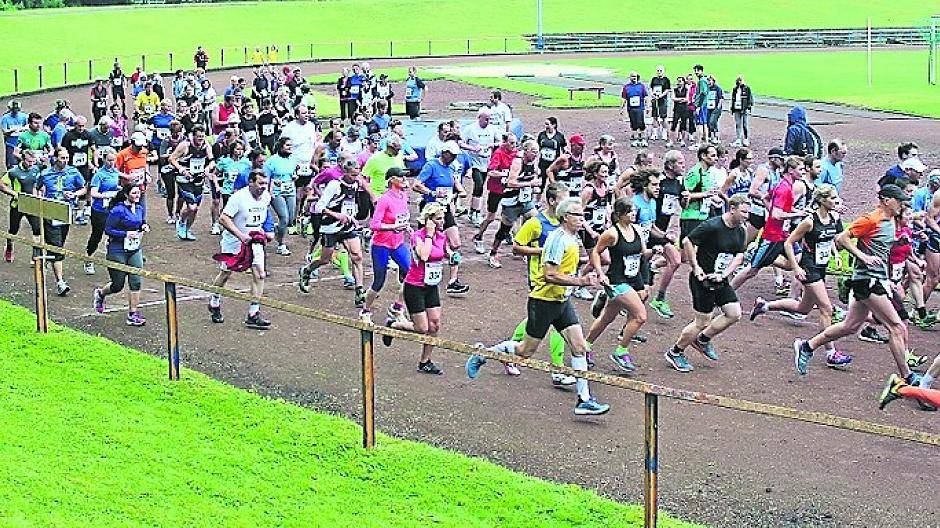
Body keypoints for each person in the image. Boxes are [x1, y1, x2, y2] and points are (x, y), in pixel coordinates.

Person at [466, 197, 611, 416]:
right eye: (577, 215)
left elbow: (570, 264)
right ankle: (485, 353)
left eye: (583, 214)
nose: (582, 218)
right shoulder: (557, 239)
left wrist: (592, 270)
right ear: (565, 217)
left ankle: (584, 400)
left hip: (561, 301)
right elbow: (549, 274)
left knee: (579, 347)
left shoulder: (573, 238)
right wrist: (580, 281)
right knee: (525, 351)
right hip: (543, 302)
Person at [794, 185, 915, 380]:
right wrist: (863, 257)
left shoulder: (891, 220)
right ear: (886, 200)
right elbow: (842, 238)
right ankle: (908, 376)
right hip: (867, 280)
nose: (902, 204)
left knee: (850, 326)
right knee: (896, 326)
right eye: (898, 200)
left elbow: (882, 248)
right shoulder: (870, 219)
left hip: (876, 279)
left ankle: (806, 346)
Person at [749, 184, 854, 367]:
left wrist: (836, 255)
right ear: (821, 200)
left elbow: (830, 240)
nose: (836, 201)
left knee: (803, 308)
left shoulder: (834, 218)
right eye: (832, 198)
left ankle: (764, 305)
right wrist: (796, 267)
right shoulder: (809, 221)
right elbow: (789, 243)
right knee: (826, 309)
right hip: (809, 267)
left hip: (821, 267)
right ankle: (831, 353)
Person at [665, 194, 749, 372]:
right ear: (732, 209)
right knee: (702, 322)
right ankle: (675, 351)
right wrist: (695, 267)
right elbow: (688, 240)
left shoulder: (741, 230)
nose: (746, 216)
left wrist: (725, 274)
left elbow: (739, 255)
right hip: (703, 281)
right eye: (743, 212)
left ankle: (702, 340)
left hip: (720, 279)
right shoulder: (712, 225)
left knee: (734, 313)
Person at [511, 182, 574, 384]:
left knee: (539, 320)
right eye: (564, 200)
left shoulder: (568, 224)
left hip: (562, 281)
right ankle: (558, 370)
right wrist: (541, 251)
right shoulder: (535, 223)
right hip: (541, 279)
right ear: (552, 201)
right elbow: (516, 247)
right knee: (556, 323)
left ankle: (511, 347)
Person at [585, 197, 657, 372]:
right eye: (630, 211)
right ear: (619, 214)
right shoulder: (612, 233)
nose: (634, 214)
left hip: (633, 279)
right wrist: (600, 273)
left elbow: (643, 254)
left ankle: (585, 346)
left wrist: (655, 251)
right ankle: (621, 351)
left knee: (606, 318)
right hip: (617, 281)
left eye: (634, 211)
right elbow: (596, 252)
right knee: (640, 316)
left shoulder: (637, 230)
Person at [382, 202, 450, 375]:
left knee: (434, 326)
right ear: (429, 220)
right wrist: (429, 234)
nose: (442, 222)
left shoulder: (441, 236)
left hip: (431, 286)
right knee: (422, 328)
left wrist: (451, 255)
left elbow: (443, 251)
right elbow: (425, 255)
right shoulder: (417, 237)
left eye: (443, 218)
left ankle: (425, 361)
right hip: (415, 286)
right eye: (438, 219)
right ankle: (394, 325)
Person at [300, 158, 373, 307]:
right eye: (353, 175)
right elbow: (320, 207)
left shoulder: (356, 184)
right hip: (330, 227)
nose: (356, 178)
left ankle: (359, 292)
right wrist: (337, 215)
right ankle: (307, 270)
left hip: (347, 226)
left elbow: (351, 204)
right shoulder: (335, 185)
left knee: (357, 256)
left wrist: (353, 218)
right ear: (345, 172)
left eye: (357, 174)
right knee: (325, 259)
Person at [209, 169, 275, 328]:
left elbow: (265, 214)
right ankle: (214, 302)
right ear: (250, 182)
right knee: (226, 273)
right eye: (260, 183)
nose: (263, 187)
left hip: (254, 240)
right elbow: (224, 218)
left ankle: (254, 312)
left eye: (265, 183)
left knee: (260, 274)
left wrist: (267, 229)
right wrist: (240, 235)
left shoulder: (266, 197)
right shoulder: (238, 198)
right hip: (233, 241)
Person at [731, 156, 808, 290]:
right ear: (790, 170)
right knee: (752, 270)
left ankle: (763, 256)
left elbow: (767, 197)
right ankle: (726, 296)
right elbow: (777, 214)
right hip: (772, 236)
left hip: (783, 234)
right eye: (800, 169)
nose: (803, 172)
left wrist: (797, 210)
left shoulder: (786, 185)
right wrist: (798, 214)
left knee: (796, 258)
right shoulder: (784, 188)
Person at [413, 141, 470, 297]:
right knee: (425, 246)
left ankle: (453, 281)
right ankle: (419, 275)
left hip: (445, 210)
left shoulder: (450, 168)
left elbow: (454, 182)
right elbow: (416, 184)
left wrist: (460, 191)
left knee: (456, 243)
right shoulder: (431, 166)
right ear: (444, 153)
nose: (453, 158)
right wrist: (431, 193)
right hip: (430, 211)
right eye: (451, 155)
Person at [92, 183, 149, 326]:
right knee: (118, 284)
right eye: (134, 193)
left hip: (134, 250)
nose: (137, 196)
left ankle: (133, 313)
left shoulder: (140, 209)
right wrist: (125, 234)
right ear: (126, 194)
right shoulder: (117, 210)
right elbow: (108, 229)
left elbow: (141, 222)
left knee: (136, 280)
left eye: (139, 193)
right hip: (117, 250)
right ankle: (101, 294)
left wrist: (143, 226)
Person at [360, 167, 411, 322]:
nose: (404, 179)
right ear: (391, 180)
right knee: (379, 281)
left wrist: (406, 227)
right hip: (381, 245)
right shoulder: (384, 199)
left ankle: (397, 307)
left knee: (411, 274)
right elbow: (374, 225)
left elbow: (402, 218)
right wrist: (392, 227)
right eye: (400, 177)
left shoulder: (403, 196)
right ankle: (365, 311)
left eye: (404, 176)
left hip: (398, 244)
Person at [35, 147, 87, 296]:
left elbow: (83, 188)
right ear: (55, 158)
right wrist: (40, 199)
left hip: (66, 212)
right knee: (57, 247)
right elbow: (37, 188)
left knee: (60, 243)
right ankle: (60, 282)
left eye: (66, 158)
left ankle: (47, 258)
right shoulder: (45, 174)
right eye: (62, 158)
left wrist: (75, 194)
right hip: (51, 213)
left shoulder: (73, 172)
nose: (65, 161)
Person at [486, 139, 540, 269]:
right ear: (526, 151)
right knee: (505, 229)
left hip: (525, 200)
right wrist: (530, 184)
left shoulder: (533, 163)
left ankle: (527, 251)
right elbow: (511, 183)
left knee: (535, 221)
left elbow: (531, 178)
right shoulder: (517, 162)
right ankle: (493, 253)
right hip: (511, 200)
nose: (535, 154)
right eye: (533, 151)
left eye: (537, 152)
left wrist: (534, 187)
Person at [647, 150, 686, 319]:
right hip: (649, 228)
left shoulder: (679, 182)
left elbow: (681, 205)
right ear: (670, 165)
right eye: (680, 163)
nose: (683, 166)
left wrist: (686, 198)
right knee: (638, 265)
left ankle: (660, 298)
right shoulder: (658, 181)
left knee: (676, 260)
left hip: (661, 231)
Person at [169, 125, 214, 241]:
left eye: (202, 137)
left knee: (196, 208)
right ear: (193, 136)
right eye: (198, 137)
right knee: (192, 207)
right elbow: (172, 159)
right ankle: (181, 221)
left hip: (199, 179)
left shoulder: (206, 145)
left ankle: (187, 229)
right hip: (185, 179)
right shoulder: (185, 145)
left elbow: (212, 161)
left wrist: (208, 169)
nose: (200, 139)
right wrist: (181, 170)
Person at [85, 147, 121, 274]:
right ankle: (88, 258)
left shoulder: (115, 172)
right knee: (97, 235)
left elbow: (116, 184)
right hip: (99, 210)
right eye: (109, 160)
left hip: (112, 209)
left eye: (113, 160)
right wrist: (107, 195)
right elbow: (94, 193)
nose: (111, 163)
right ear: (103, 160)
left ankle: (116, 259)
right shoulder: (99, 175)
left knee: (114, 233)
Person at [1, 149, 41, 263]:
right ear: (23, 159)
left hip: (31, 205)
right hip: (17, 205)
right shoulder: (14, 172)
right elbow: (2, 185)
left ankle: (36, 254)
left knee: (37, 229)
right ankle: (9, 248)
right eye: (29, 161)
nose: (31, 164)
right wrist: (14, 194)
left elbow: (38, 184)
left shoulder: (36, 168)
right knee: (13, 230)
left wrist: (38, 194)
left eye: (33, 161)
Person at [262, 136, 299, 255]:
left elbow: (293, 173)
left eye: (291, 145)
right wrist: (270, 187)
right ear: (281, 146)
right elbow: (265, 178)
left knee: (291, 219)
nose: (290, 148)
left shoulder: (293, 159)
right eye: (288, 145)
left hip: (290, 190)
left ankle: (279, 228)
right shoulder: (271, 161)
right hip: (277, 192)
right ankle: (281, 244)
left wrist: (294, 177)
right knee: (284, 217)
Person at [463, 108, 499, 228]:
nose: (488, 122)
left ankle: (472, 210)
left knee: (481, 186)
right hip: (474, 162)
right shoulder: (470, 129)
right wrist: (472, 148)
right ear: (479, 118)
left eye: (489, 119)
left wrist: (491, 145)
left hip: (486, 162)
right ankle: (476, 213)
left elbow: (499, 143)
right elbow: (461, 142)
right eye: (486, 119)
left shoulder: (493, 129)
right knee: (478, 184)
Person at [536, 117, 566, 190]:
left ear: (554, 125)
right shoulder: (541, 135)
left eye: (547, 124)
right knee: (540, 185)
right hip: (543, 163)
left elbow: (564, 148)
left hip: (554, 164)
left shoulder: (559, 136)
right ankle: (538, 200)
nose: (546, 126)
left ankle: (553, 199)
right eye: (545, 124)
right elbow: (537, 148)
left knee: (554, 184)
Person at [620, 71, 648, 147]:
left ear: (637, 77)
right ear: (630, 77)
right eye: (632, 76)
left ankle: (643, 139)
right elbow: (624, 98)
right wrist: (621, 108)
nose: (634, 78)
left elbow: (645, 96)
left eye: (635, 76)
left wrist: (647, 106)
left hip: (640, 108)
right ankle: (636, 139)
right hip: (631, 108)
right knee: (633, 123)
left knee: (641, 123)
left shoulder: (641, 86)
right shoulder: (626, 87)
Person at [2, 101, 28, 168]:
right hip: (11, 144)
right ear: (10, 109)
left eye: (16, 109)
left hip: (22, 143)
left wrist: (24, 129)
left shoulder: (24, 116)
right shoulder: (5, 118)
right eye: (13, 109)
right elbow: (4, 132)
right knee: (12, 164)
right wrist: (11, 131)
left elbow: (28, 126)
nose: (15, 111)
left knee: (24, 161)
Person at [730, 75, 753, 147]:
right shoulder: (735, 89)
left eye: (741, 80)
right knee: (738, 124)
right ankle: (738, 138)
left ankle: (746, 138)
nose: (740, 82)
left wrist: (748, 107)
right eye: (738, 80)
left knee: (745, 124)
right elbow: (733, 99)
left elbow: (750, 98)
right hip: (737, 108)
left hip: (744, 108)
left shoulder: (746, 88)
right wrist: (732, 108)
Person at [649, 65, 670, 142]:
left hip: (662, 100)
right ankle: (654, 133)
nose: (659, 72)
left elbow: (667, 90)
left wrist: (661, 96)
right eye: (658, 71)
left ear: (663, 71)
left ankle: (664, 133)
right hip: (655, 100)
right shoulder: (654, 79)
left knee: (663, 117)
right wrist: (652, 94)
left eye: (660, 71)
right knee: (654, 116)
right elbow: (651, 88)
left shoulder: (666, 80)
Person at [668, 76, 691, 148]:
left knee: (683, 125)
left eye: (680, 81)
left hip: (684, 109)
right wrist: (681, 99)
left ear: (683, 82)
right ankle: (671, 141)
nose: (679, 83)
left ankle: (682, 141)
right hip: (676, 109)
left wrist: (678, 99)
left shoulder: (686, 90)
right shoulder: (674, 90)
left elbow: (687, 99)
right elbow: (673, 98)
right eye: (678, 81)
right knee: (674, 124)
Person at [704, 76, 724, 145]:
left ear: (713, 81)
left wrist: (718, 107)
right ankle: (709, 136)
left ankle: (716, 137)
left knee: (712, 121)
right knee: (708, 121)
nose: (709, 82)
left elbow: (721, 98)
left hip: (715, 108)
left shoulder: (717, 88)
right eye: (708, 81)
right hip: (708, 107)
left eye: (710, 81)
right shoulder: (706, 88)